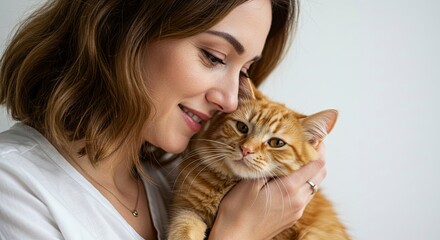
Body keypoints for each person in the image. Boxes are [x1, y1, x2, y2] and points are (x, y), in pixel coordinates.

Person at [0, 0, 327, 239]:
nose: (229, 100)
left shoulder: (176, 176)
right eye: (213, 57)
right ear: (122, 27)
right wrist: (237, 234)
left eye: (244, 71)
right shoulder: (12, 185)